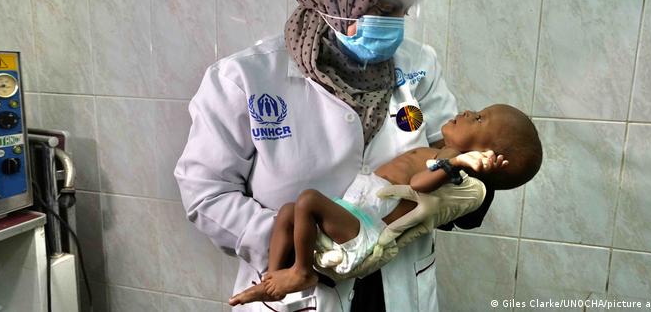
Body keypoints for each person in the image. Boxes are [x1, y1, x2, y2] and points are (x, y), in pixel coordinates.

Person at [175, 0, 493, 311]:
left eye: (402, 12)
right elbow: (205, 191)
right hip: (303, 290)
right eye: (383, 8)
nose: (395, 25)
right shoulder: (244, 78)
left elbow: (454, 147)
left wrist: (461, 194)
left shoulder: (419, 65)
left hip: (397, 285)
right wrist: (304, 248)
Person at [228, 104, 542, 306]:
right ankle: (272, 279)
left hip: (367, 229)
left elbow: (419, 185)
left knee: (307, 202)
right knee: (287, 213)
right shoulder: (446, 151)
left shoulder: (451, 163)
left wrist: (459, 163)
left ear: (487, 155)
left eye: (479, 118)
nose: (468, 110)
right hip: (357, 211)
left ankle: (300, 272)